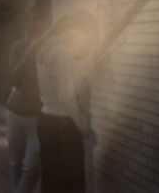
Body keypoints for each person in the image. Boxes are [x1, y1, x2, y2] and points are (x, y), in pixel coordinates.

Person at [36, 11, 97, 193]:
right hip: (62, 127)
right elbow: (66, 96)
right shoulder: (62, 53)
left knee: (51, 181)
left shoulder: (45, 48)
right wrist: (82, 125)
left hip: (46, 120)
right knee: (71, 185)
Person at [6, 19, 45, 193]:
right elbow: (14, 78)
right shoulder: (18, 47)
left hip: (38, 117)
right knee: (16, 161)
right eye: (30, 27)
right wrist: (29, 51)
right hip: (15, 112)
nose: (33, 31)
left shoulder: (49, 49)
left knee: (31, 168)